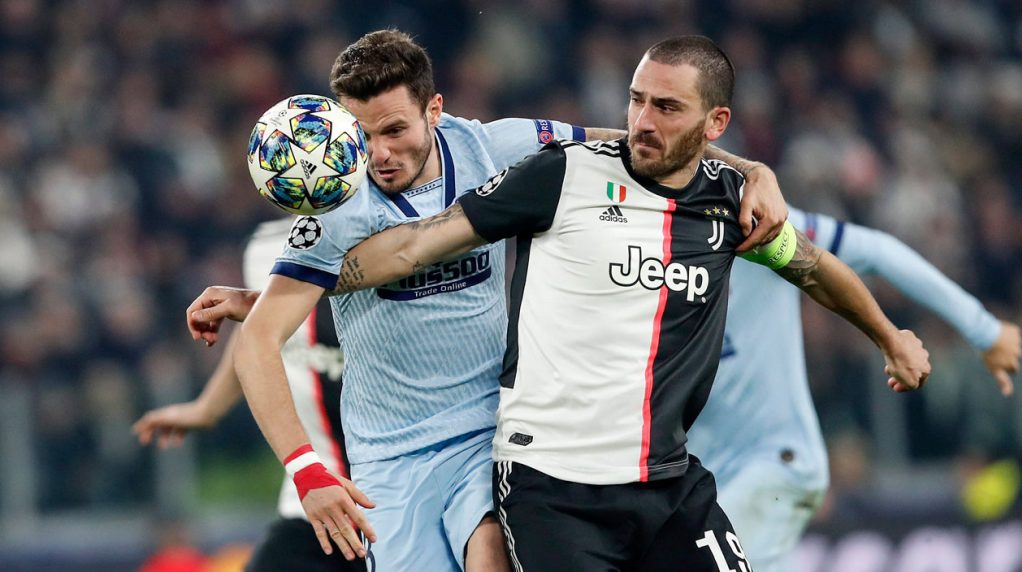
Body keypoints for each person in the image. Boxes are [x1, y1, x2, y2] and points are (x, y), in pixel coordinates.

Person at [212, 35, 931, 570]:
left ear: (435, 109)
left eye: (395, 130)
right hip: (389, 455)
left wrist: (751, 169)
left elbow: (633, 146)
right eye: (361, 135)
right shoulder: (331, 205)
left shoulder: (500, 149)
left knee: (490, 553)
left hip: (490, 428)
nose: (378, 153)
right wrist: (307, 466)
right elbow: (274, 335)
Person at [688, 206, 1022, 572]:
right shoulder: (643, 254)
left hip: (772, 463)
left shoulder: (754, 223)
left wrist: (984, 329)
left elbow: (877, 251)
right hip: (699, 483)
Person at [134, 218, 367, 572]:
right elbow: (259, 335)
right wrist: (206, 408)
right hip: (311, 498)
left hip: (391, 492)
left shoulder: (380, 227)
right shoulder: (263, 246)